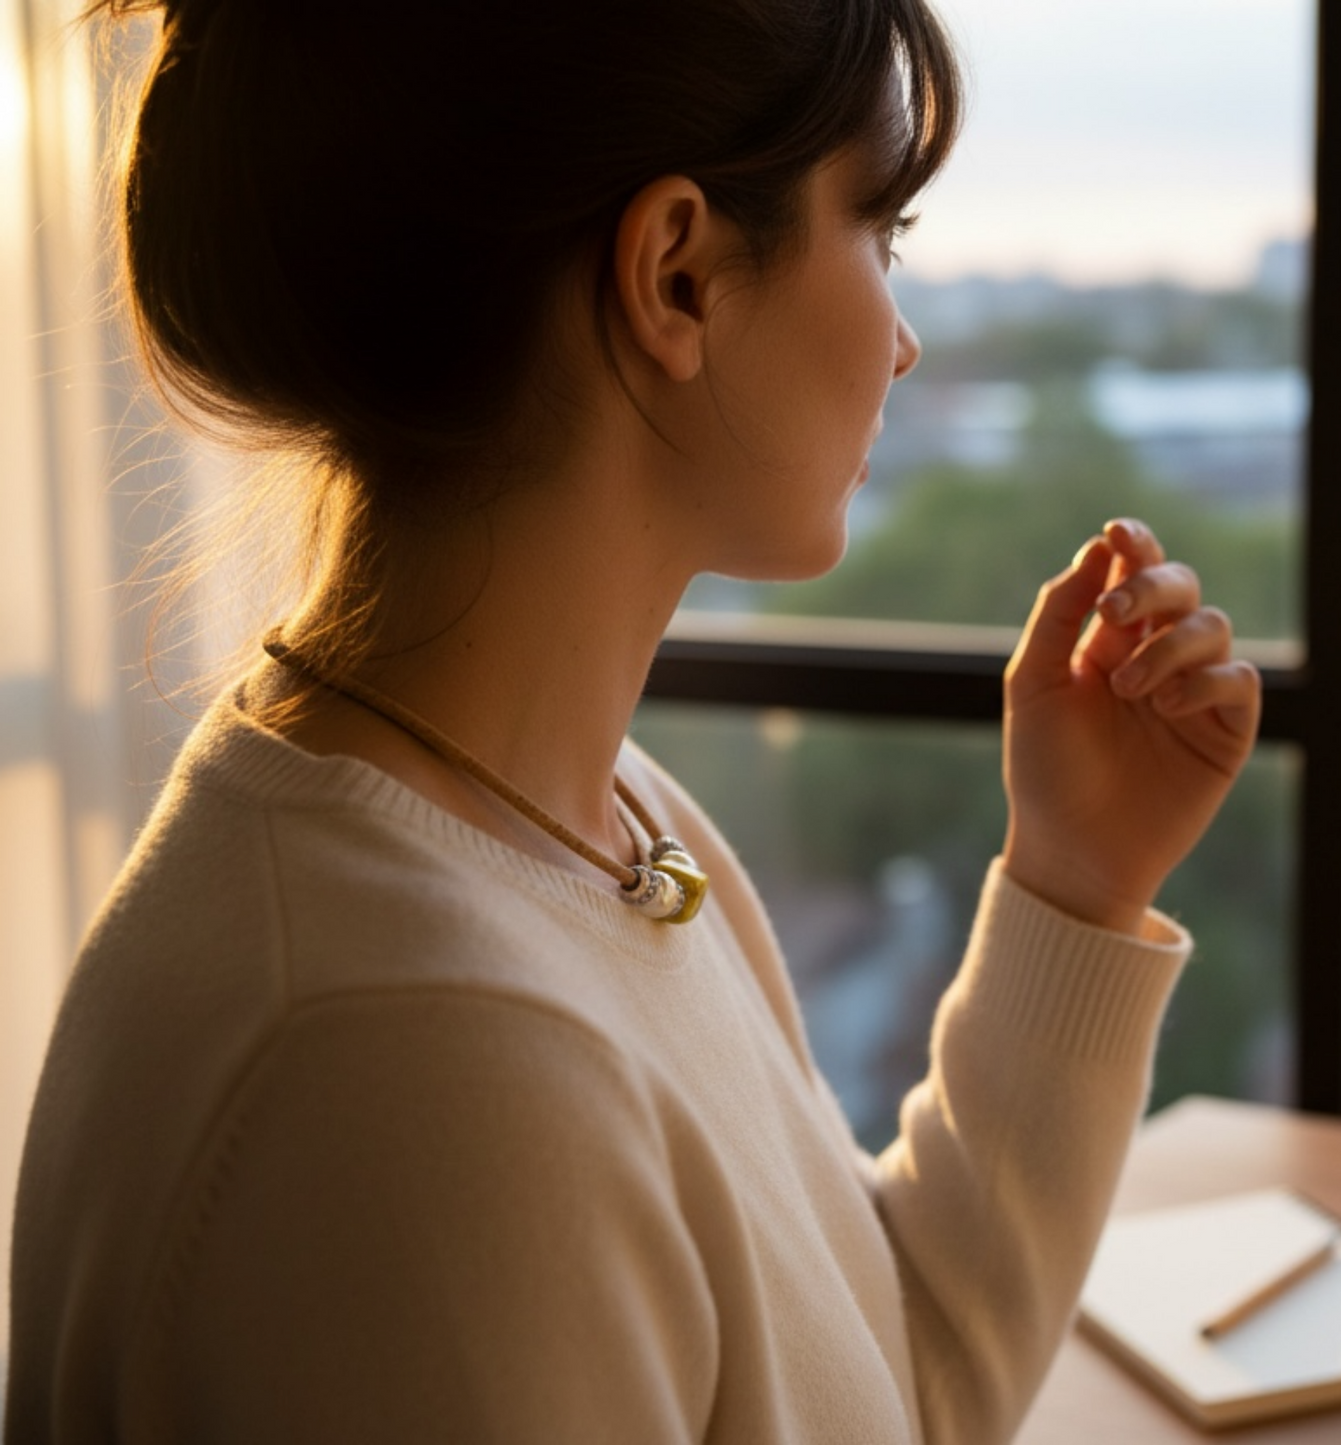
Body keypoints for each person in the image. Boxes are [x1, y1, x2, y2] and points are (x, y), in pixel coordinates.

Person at [4, 0, 1261, 1441]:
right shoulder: (420, 1069)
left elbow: (893, 1380)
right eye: (882, 232)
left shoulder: (603, 825)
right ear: (676, 275)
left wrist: (1078, 885)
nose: (905, 342)